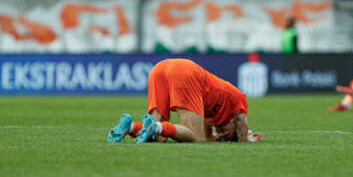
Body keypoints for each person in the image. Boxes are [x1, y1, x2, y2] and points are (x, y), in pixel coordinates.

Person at [108, 59, 264, 143]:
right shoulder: (238, 100)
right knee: (194, 137)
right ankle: (152, 126)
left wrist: (213, 137)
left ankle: (129, 127)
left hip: (160, 69)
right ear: (233, 122)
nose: (222, 134)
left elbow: (209, 134)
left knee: (158, 137)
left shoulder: (215, 117)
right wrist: (245, 139)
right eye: (228, 133)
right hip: (185, 71)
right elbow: (241, 119)